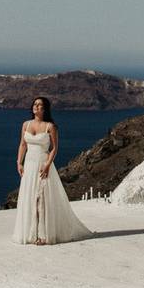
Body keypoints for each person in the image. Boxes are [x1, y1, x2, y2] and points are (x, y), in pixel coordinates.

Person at [11, 96, 93, 245]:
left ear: (45, 108)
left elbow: (54, 148)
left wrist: (48, 164)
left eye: (40, 105)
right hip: (29, 165)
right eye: (35, 104)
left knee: (41, 199)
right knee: (29, 197)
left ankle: (43, 235)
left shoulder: (50, 126)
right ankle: (31, 233)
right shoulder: (26, 124)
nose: (36, 107)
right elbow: (22, 145)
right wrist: (19, 163)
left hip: (43, 164)